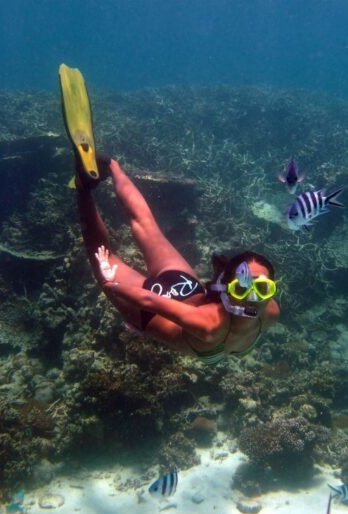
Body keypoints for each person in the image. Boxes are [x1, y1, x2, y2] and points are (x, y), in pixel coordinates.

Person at [59, 64, 279, 363]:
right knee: (103, 256)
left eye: (262, 289)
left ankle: (112, 165)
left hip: (185, 287)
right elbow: (149, 299)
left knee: (148, 227)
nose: (254, 297)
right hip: (150, 312)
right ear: (228, 288)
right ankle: (85, 186)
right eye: (244, 288)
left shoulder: (271, 312)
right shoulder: (212, 325)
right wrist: (109, 281)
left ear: (272, 291)